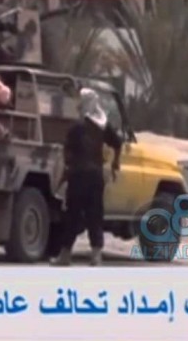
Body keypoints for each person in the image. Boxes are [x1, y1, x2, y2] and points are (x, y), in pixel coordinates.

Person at [52, 88, 123, 267]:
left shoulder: (76, 127)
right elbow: (118, 143)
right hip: (96, 177)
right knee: (95, 216)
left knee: (72, 216)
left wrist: (62, 178)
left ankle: (65, 256)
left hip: (78, 176)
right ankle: (96, 256)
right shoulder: (102, 125)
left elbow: (68, 155)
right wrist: (115, 163)